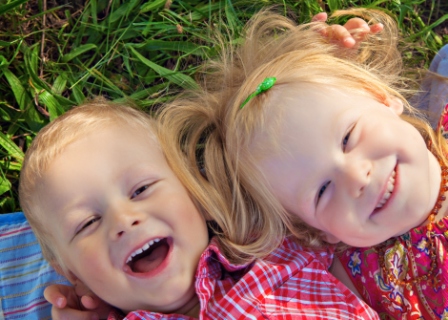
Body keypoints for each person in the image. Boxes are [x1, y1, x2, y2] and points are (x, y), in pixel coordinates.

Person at [155, 8, 448, 320]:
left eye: (348, 138)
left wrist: (326, 57)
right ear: (319, 232)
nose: (355, 177)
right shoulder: (347, 283)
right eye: (322, 191)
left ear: (380, 98)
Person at [19, 100, 379, 319]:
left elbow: (297, 145)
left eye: (142, 189)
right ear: (72, 273)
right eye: (87, 223)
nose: (123, 220)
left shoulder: (266, 238)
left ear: (199, 193)